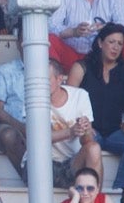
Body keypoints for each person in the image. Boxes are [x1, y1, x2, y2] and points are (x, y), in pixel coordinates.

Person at [66, 23, 124, 192]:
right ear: (100, 43)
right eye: (111, 42)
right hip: (90, 130)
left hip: (117, 131)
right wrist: (84, 124)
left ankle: (120, 189)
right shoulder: (82, 67)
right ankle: (91, 191)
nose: (115, 47)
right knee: (89, 142)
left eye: (120, 43)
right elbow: (68, 102)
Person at [28, 58, 101, 188]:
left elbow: (87, 141)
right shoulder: (32, 97)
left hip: (72, 163)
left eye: (46, 79)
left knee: (94, 148)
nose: (41, 84)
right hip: (41, 165)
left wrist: (85, 129)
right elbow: (35, 139)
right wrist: (70, 131)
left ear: (59, 79)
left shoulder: (80, 96)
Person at [0, 23, 27, 175]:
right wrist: (23, 128)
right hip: (12, 126)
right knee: (8, 135)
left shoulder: (50, 71)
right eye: (25, 39)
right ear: (18, 43)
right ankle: (30, 179)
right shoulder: (4, 71)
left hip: (45, 126)